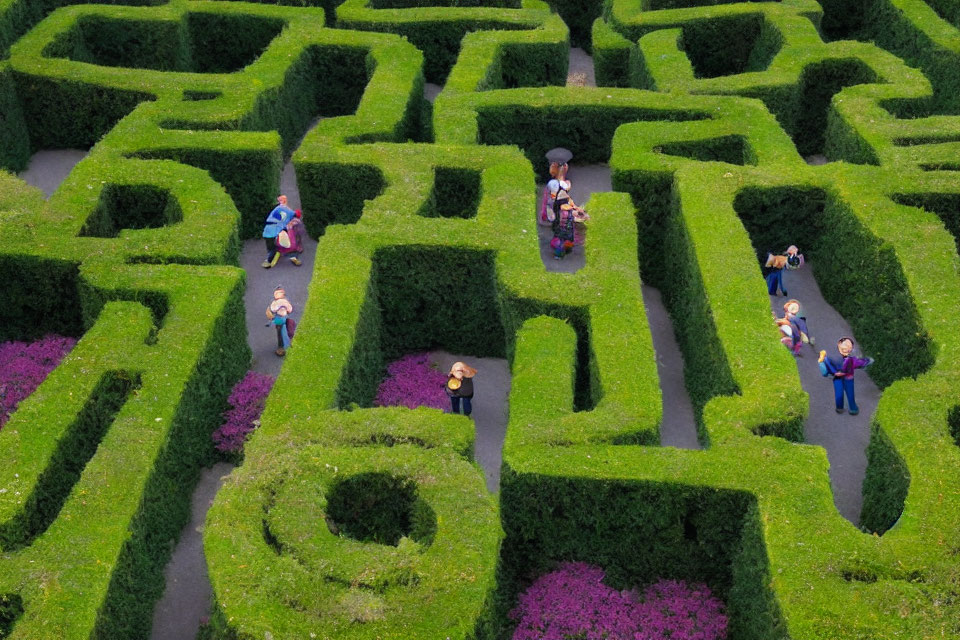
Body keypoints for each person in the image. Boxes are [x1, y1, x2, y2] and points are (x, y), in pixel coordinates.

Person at [818, 337, 874, 415]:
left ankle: (839, 408)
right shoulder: (851, 360)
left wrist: (834, 373)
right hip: (848, 378)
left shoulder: (830, 357)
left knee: (839, 393)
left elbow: (827, 364)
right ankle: (853, 409)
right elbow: (859, 362)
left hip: (837, 378)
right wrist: (867, 361)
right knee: (850, 393)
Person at [262, 195, 295, 268]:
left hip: (268, 230)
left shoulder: (275, 210)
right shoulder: (283, 210)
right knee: (273, 246)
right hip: (274, 230)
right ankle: (269, 260)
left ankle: (271, 257)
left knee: (270, 245)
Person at [266, 286, 293, 356]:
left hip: (280, 318)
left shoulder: (276, 302)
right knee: (284, 330)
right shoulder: (285, 301)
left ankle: (281, 348)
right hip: (284, 317)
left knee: (280, 333)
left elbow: (273, 309)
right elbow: (290, 309)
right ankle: (285, 345)